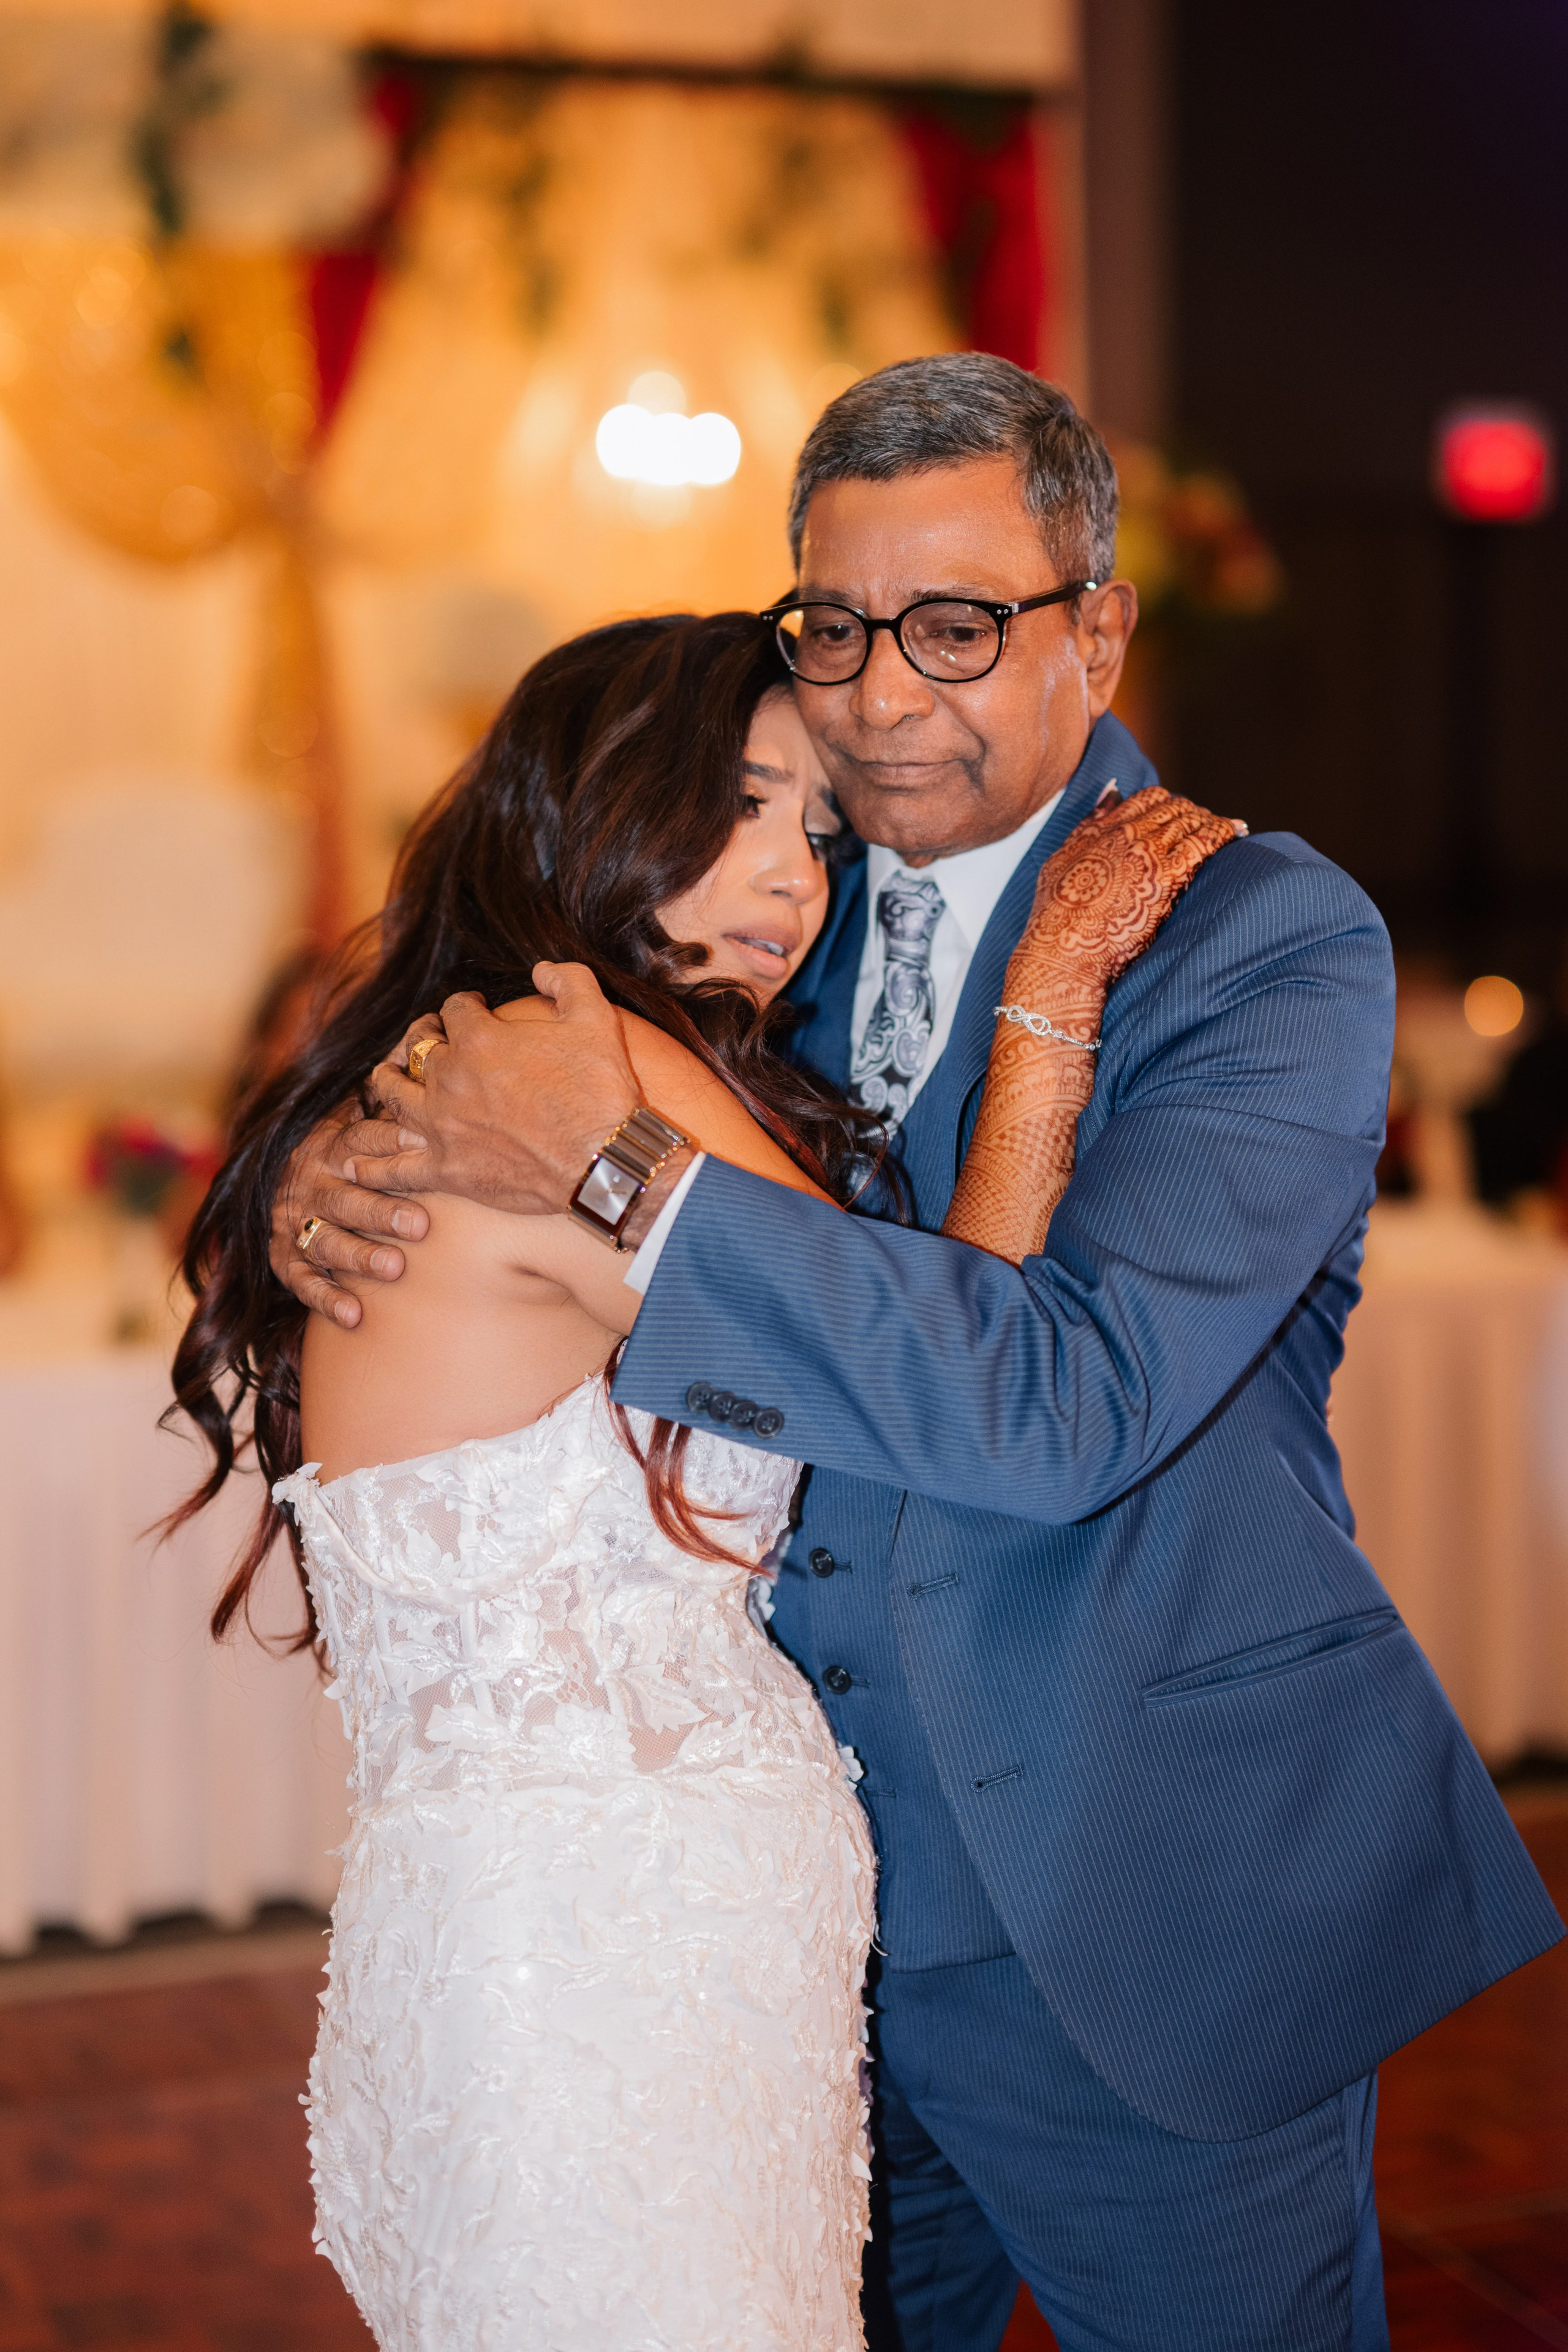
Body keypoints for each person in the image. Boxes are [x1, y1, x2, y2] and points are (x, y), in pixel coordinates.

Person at [276, 355, 1566, 2352]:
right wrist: (356, 1166)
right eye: (838, 625)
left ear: (1096, 631)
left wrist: (609, 1174)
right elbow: (504, 1067)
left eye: (957, 626)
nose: (881, 694)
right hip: (771, 1939)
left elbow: (1064, 1401)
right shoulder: (750, 898)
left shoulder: (1253, 938)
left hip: (1129, 1903)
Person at [174, 605, 1226, 2352]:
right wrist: (1049, 1000)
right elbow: (946, 1369)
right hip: (618, 1952)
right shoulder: (593, 1075)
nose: (793, 875)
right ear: (590, 801)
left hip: (514, 1929)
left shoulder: (457, 1065)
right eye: (738, 804)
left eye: (815, 827)